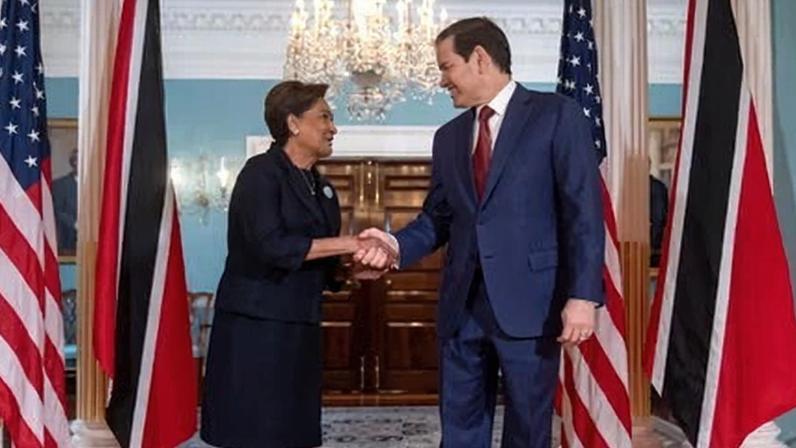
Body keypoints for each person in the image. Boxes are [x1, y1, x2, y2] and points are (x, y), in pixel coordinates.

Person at [356, 18, 605, 447]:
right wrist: (394, 244)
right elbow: (438, 219)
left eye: (446, 66)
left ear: (480, 59)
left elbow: (583, 212)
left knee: (528, 430)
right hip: (462, 308)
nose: (441, 81)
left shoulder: (556, 116)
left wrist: (583, 296)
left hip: (532, 305)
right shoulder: (448, 137)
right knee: (460, 430)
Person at [200, 80, 390, 448]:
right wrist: (352, 242)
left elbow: (323, 266)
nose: (333, 128)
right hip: (256, 326)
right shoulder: (260, 173)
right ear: (293, 124)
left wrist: (350, 269)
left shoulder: (322, 189)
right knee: (254, 430)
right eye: (325, 117)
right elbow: (271, 246)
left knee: (294, 431)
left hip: (301, 324)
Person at [52, 148, 78, 253]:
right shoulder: (60, 185)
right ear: (74, 162)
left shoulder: (96, 184)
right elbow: (57, 211)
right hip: (67, 241)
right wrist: (75, 223)